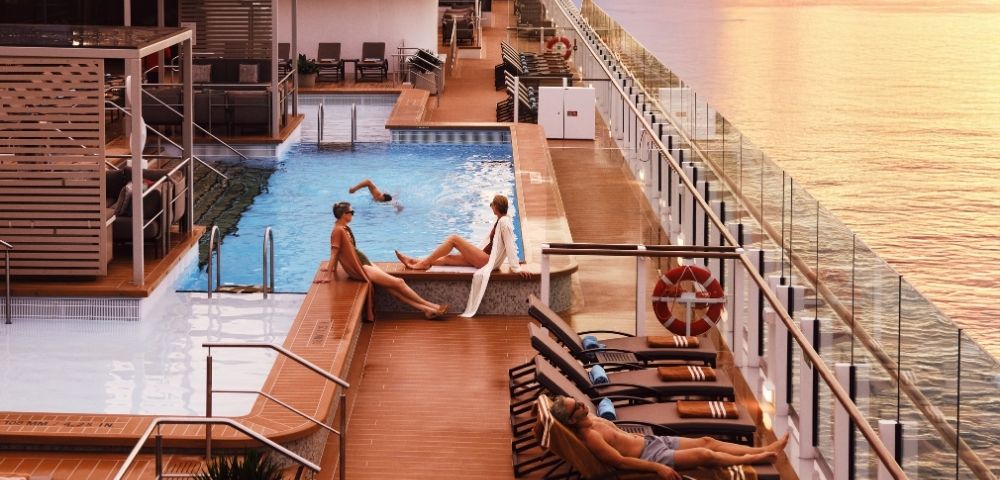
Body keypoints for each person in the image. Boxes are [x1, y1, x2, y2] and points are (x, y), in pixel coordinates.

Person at [548, 395, 787, 480]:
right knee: (706, 455)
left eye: (576, 400)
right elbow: (619, 463)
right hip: (652, 456)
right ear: (571, 420)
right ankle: (752, 459)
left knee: (707, 441)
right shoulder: (591, 436)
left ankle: (759, 451)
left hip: (652, 441)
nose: (581, 403)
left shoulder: (588, 416)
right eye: (575, 407)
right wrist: (656, 469)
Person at [394, 194, 530, 317]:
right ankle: (414, 261)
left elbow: (511, 246)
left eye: (492, 205)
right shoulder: (502, 220)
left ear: (496, 206)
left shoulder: (504, 223)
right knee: (448, 259)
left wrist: (516, 268)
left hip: (486, 260)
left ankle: (423, 263)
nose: (491, 208)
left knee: (454, 239)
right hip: (483, 257)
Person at [316, 201, 447, 320]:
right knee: (399, 282)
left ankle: (427, 309)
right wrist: (328, 276)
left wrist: (331, 268)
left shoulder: (342, 228)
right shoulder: (337, 231)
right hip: (361, 267)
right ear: (344, 214)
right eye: (352, 212)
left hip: (364, 262)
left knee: (392, 287)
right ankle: (430, 305)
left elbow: (340, 253)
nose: (353, 215)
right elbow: (335, 253)